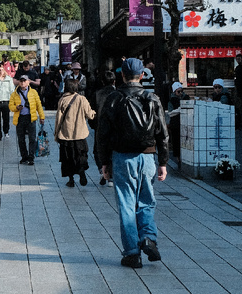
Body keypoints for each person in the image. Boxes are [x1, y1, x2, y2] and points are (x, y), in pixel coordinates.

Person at [95, 58, 169, 269]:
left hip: (122, 157)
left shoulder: (114, 98)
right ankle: (148, 237)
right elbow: (162, 133)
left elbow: (103, 133)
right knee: (147, 200)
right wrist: (163, 161)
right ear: (142, 75)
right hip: (147, 156)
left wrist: (104, 162)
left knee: (126, 203)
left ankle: (132, 253)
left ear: (122, 75)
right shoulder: (152, 98)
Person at [55, 76, 95, 187]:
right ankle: (81, 170)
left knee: (67, 158)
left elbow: (59, 119)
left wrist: (56, 133)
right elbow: (90, 114)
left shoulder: (63, 100)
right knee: (81, 155)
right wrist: (94, 113)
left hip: (66, 134)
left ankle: (71, 179)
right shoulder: (82, 99)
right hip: (80, 134)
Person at [9, 73, 45, 165]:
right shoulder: (15, 93)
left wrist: (42, 117)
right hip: (20, 118)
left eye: (24, 81)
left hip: (31, 118)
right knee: (21, 139)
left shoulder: (33, 92)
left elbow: (38, 105)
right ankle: (24, 157)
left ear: (28, 82)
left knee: (32, 138)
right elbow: (10, 106)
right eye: (21, 81)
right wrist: (16, 108)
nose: (22, 83)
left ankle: (31, 157)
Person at [92, 70, 117, 185]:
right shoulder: (118, 94)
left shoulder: (97, 94)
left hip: (99, 125)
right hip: (114, 126)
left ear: (102, 81)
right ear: (114, 81)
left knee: (98, 149)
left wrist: (94, 125)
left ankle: (102, 170)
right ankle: (110, 175)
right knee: (112, 149)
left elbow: (92, 112)